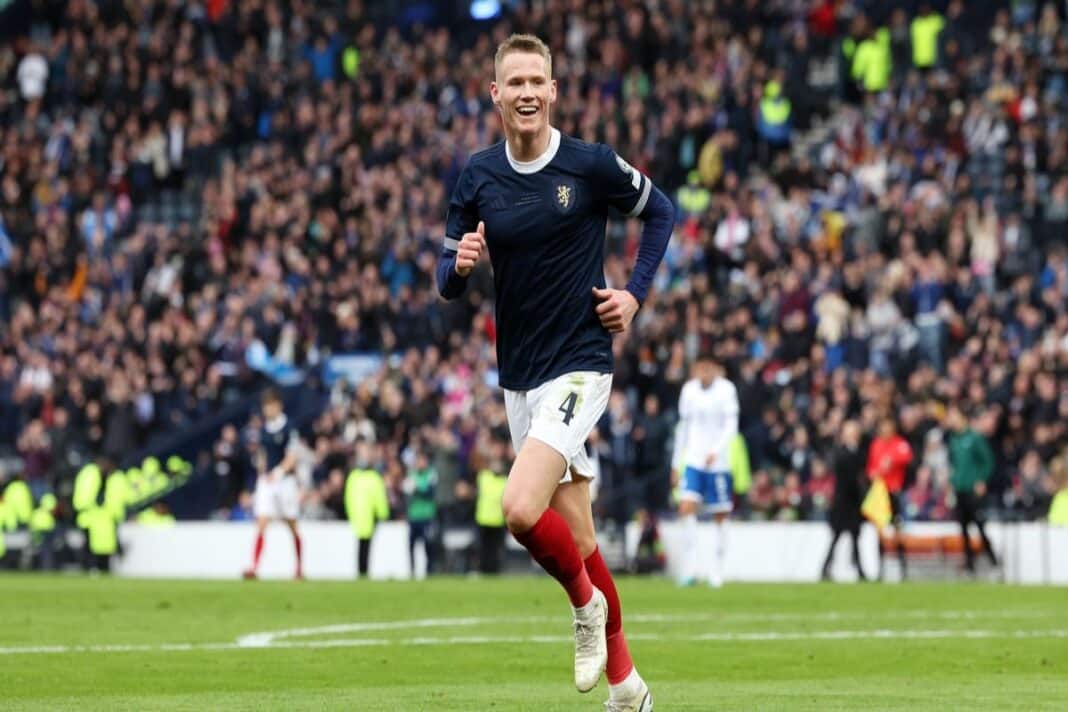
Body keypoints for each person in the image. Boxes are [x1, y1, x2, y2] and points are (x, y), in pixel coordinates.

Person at [436, 34, 671, 711]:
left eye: (537, 81)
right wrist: (459, 267)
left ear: (554, 90)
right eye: (515, 83)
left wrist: (635, 294)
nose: (527, 93)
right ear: (496, 94)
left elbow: (661, 211)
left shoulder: (589, 164)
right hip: (521, 377)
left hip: (580, 365)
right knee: (583, 539)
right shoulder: (478, 175)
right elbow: (446, 279)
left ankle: (585, 609)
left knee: (518, 509)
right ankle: (628, 688)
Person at [671, 351, 740, 588]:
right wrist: (675, 463)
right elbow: (683, 428)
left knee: (720, 515)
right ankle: (691, 569)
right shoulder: (688, 391)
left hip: (718, 464)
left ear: (715, 368)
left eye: (708, 367)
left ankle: (717, 571)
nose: (704, 372)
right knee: (686, 508)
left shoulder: (726, 390)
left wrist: (716, 450)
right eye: (700, 367)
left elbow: (731, 426)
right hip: (693, 461)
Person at [243, 390, 304, 580]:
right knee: (261, 521)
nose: (267, 410)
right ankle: (254, 567)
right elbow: (262, 455)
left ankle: (299, 568)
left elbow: (292, 456)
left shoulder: (289, 428)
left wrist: (278, 472)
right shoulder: (263, 430)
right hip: (267, 482)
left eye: (270, 405)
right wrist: (261, 474)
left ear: (278, 405)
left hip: (285, 482)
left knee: (292, 524)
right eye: (265, 406)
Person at [946, 405, 999, 573]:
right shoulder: (953, 439)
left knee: (979, 526)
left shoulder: (975, 437)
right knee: (963, 528)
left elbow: (988, 461)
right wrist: (952, 481)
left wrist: (981, 480)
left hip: (972, 490)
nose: (950, 419)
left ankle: (994, 561)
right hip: (960, 489)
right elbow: (954, 465)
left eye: (953, 415)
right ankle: (969, 565)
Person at [821, 420, 868, 581]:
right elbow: (849, 479)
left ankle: (859, 570)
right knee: (837, 538)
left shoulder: (858, 452)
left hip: (853, 504)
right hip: (843, 503)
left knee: (853, 539)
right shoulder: (842, 453)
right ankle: (825, 568)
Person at [867, 416, 913, 580]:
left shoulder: (899, 444)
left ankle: (903, 567)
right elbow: (871, 467)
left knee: (897, 529)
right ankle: (880, 569)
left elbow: (907, 457)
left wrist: (891, 461)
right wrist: (873, 473)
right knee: (879, 530)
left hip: (894, 492)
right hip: (880, 493)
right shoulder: (876, 444)